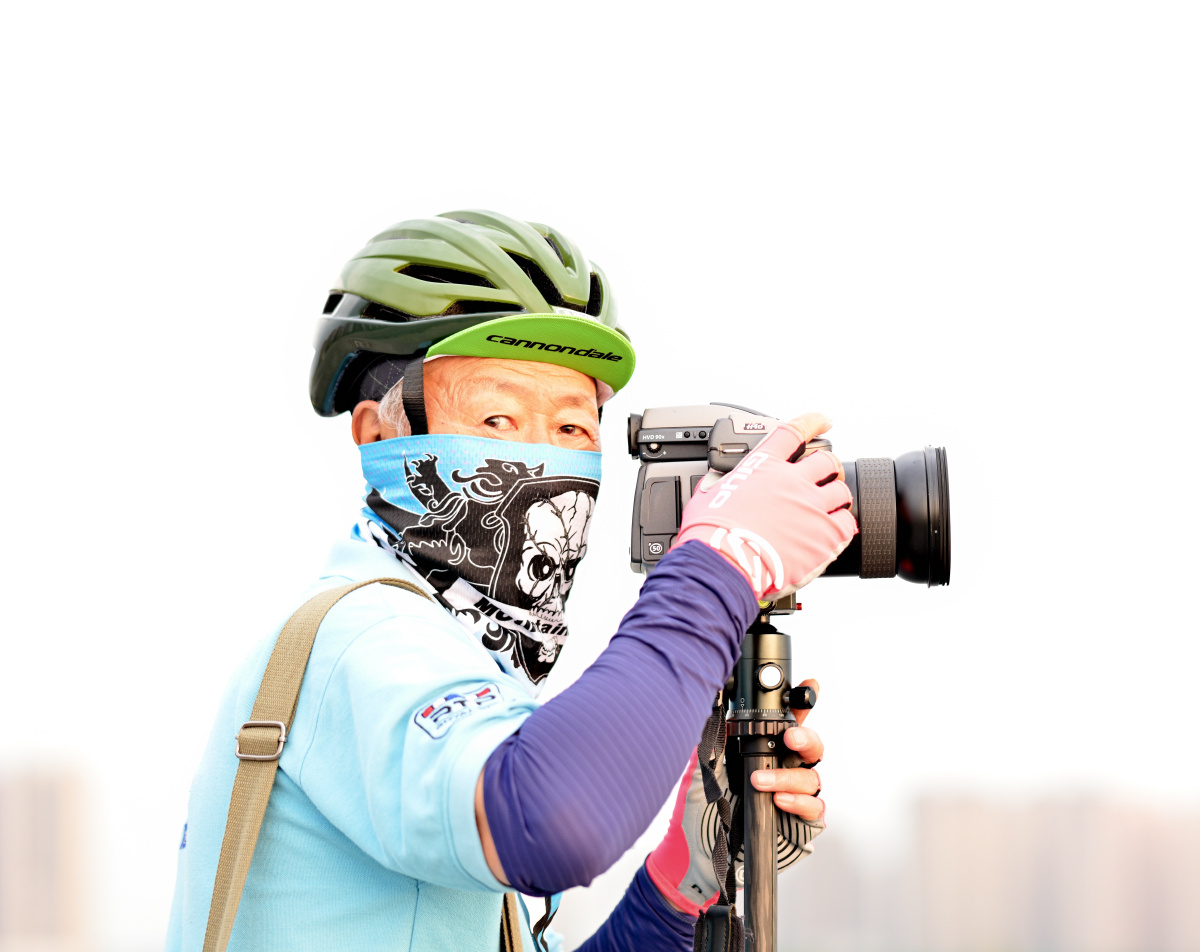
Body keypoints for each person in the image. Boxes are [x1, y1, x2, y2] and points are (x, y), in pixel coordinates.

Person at [166, 210, 857, 951]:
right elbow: (552, 822)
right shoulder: (366, 640)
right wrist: (721, 564)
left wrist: (681, 878)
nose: (545, 459)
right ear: (380, 432)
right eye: (497, 420)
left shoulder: (457, 660)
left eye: (572, 428)